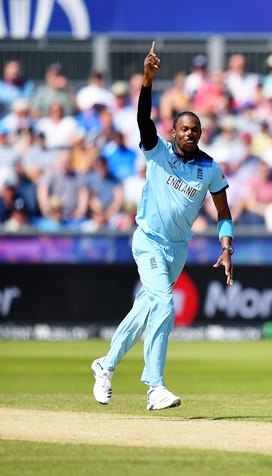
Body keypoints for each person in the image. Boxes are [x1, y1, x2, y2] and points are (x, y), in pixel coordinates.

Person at [91, 42, 235, 411]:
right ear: (173, 132)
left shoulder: (210, 168)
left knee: (145, 312)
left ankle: (105, 365)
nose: (190, 134)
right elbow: (143, 121)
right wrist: (148, 81)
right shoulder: (159, 152)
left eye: (195, 130)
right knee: (165, 304)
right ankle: (155, 386)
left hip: (178, 249)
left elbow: (223, 212)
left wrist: (226, 246)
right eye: (184, 129)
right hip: (148, 241)